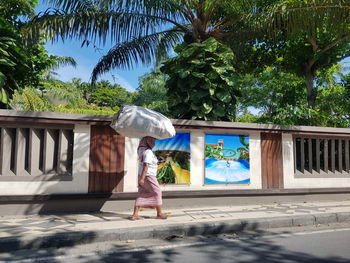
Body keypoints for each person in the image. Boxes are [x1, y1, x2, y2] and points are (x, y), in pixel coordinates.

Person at [131, 136, 168, 220]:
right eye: (153, 140)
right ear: (147, 141)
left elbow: (147, 163)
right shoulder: (148, 151)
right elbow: (146, 165)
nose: (154, 143)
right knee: (157, 192)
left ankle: (135, 214)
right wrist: (142, 179)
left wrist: (156, 163)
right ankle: (159, 213)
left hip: (142, 175)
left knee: (142, 193)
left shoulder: (141, 149)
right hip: (148, 175)